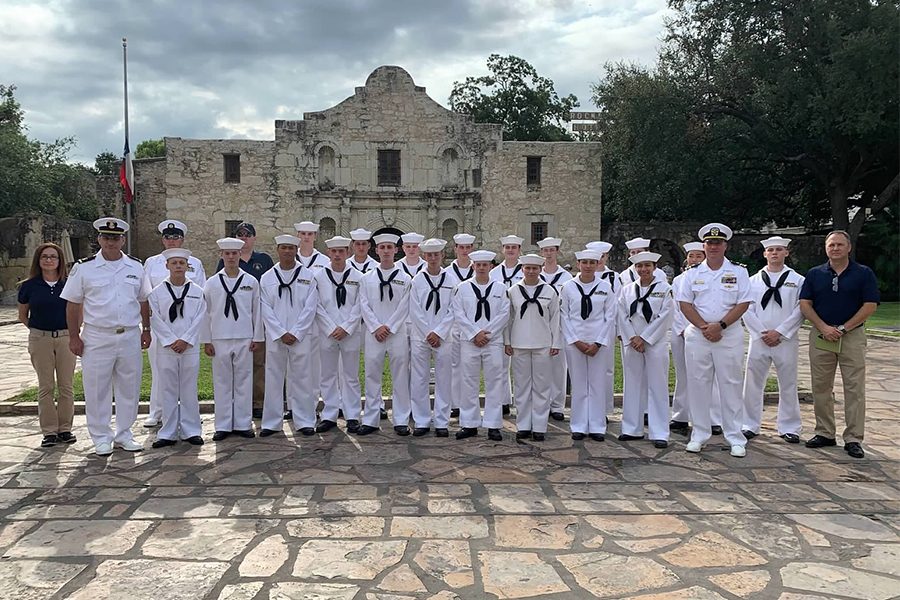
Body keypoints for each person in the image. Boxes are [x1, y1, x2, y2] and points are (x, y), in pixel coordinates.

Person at [61, 217, 151, 456]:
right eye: (106, 237)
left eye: (116, 237)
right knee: (97, 388)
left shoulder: (135, 266)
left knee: (129, 387)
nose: (111, 241)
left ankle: (124, 434)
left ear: (123, 239)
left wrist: (147, 329)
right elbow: (72, 304)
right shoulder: (84, 267)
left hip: (130, 334)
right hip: (97, 336)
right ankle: (101, 436)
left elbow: (143, 300)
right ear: (99, 239)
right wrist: (73, 336)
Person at [800, 230, 879, 459]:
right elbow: (805, 303)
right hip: (822, 335)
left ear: (849, 247)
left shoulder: (863, 273)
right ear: (826, 248)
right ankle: (824, 432)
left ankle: (854, 438)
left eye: (839, 245)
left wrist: (844, 327)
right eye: (831, 245)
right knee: (821, 387)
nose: (835, 248)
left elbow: (870, 304)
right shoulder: (815, 274)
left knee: (854, 388)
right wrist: (824, 327)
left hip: (851, 336)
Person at [677, 223, 752, 457]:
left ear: (725, 245)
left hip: (728, 335)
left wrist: (720, 326)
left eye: (718, 243)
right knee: (698, 384)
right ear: (704, 245)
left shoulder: (739, 272)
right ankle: (699, 434)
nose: (713, 246)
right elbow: (684, 304)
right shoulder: (692, 274)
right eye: (710, 243)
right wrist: (704, 327)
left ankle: (735, 437)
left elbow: (743, 303)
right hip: (698, 335)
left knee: (730, 384)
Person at [141, 220, 206, 428]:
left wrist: (188, 336)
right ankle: (157, 412)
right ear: (163, 239)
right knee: (160, 372)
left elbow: (202, 295)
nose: (172, 241)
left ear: (183, 239)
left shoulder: (194, 263)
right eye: (168, 237)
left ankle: (190, 415)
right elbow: (147, 295)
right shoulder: (151, 262)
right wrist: (154, 329)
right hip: (161, 329)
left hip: (187, 329)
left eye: (176, 237)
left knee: (188, 379)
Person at [740, 236, 805, 444]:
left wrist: (780, 332)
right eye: (771, 250)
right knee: (752, 382)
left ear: (787, 253)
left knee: (788, 382)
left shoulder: (798, 280)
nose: (774, 253)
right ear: (764, 254)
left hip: (785, 339)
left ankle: (790, 426)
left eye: (779, 250)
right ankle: (749, 423)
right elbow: (746, 309)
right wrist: (761, 332)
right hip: (759, 339)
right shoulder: (752, 281)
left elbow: (800, 309)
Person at [202, 237, 265, 441]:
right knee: (222, 382)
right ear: (221, 255)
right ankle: (222, 424)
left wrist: (258, 337)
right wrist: (207, 340)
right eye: (227, 253)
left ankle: (243, 423)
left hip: (244, 336)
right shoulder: (212, 283)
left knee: (244, 381)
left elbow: (257, 311)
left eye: (234, 253)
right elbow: (205, 313)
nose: (231, 257)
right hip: (220, 336)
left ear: (240, 255)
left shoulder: (250, 281)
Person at [18, 242, 78, 448]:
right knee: (46, 386)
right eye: (45, 257)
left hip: (65, 338)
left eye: (54, 257)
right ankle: (49, 431)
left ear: (60, 261)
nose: (49, 260)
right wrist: (38, 332)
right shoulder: (29, 286)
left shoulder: (69, 284)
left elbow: (77, 312)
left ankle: (65, 429)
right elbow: (22, 315)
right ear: (39, 260)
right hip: (40, 338)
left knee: (66, 386)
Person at [259, 234, 319, 437]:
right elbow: (265, 308)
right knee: (274, 377)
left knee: (302, 378)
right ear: (277, 250)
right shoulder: (267, 278)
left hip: (300, 336)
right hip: (277, 337)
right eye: (283, 248)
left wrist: (297, 331)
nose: (287, 251)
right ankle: (271, 422)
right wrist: (280, 332)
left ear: (296, 250)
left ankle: (305, 420)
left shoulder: (308, 276)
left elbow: (311, 307)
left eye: (291, 248)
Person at [216, 222, 274, 420]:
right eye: (240, 235)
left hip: (258, 318)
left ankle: (257, 402)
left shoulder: (263, 259)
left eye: (247, 235)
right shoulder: (228, 259)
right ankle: (234, 403)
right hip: (233, 321)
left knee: (258, 364)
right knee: (231, 368)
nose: (244, 238)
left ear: (254, 238)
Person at [617, 251, 675, 448]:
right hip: (632, 342)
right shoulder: (627, 290)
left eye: (647, 266)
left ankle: (660, 432)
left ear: (654, 268)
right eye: (639, 266)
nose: (643, 269)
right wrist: (633, 337)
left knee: (657, 386)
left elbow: (665, 316)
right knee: (632, 384)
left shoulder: (665, 289)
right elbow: (622, 314)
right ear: (635, 268)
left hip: (655, 343)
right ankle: (631, 428)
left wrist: (645, 338)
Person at [452, 250, 510, 440]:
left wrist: (487, 334)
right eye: (478, 265)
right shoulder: (463, 288)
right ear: (473, 266)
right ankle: (469, 423)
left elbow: (504, 313)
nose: (482, 268)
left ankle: (493, 424)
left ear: (491, 267)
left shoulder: (500, 289)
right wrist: (474, 333)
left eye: (485, 265)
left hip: (492, 342)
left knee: (494, 382)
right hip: (469, 341)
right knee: (468, 381)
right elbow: (458, 313)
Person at [358, 233, 412, 436]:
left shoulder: (405, 278)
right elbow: (363, 304)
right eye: (383, 248)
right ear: (377, 250)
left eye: (390, 247)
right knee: (372, 375)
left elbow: (404, 306)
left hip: (396, 333)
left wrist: (389, 327)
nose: (387, 251)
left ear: (396, 250)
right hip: (374, 334)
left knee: (400, 376)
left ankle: (401, 419)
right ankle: (371, 418)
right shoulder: (367, 278)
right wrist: (376, 327)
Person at [560, 250, 616, 441]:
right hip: (575, 342)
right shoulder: (568, 287)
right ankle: (578, 425)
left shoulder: (605, 287)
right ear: (578, 264)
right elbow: (564, 316)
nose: (588, 266)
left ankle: (597, 425)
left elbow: (610, 317)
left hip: (598, 342)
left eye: (592, 262)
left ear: (597, 264)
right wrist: (576, 341)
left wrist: (598, 342)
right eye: (584, 262)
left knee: (597, 384)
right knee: (579, 384)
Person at [504, 254, 561, 442]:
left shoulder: (549, 291)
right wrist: (507, 341)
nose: (530, 271)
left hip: (543, 343)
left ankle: (539, 426)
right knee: (521, 387)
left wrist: (556, 343)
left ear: (540, 269)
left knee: (542, 387)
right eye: (527, 268)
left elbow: (555, 319)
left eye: (534, 268)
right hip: (519, 343)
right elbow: (508, 319)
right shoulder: (513, 291)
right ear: (522, 269)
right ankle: (523, 425)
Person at [315, 236, 365, 433]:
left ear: (348, 252)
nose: (337, 255)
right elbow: (316, 305)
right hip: (327, 333)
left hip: (350, 333)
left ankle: (352, 414)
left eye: (341, 251)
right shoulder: (319, 276)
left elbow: (361, 304)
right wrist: (330, 327)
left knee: (350, 375)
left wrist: (347, 327)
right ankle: (329, 414)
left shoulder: (358, 276)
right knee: (327, 375)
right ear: (329, 253)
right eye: (334, 251)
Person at [409, 238, 457, 437]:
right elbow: (414, 308)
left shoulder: (451, 280)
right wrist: (428, 332)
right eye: (429, 255)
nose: (433, 258)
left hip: (443, 337)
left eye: (436, 254)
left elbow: (454, 309)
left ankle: (441, 421)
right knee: (419, 378)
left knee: (443, 379)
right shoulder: (417, 280)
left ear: (442, 255)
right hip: (421, 336)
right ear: (424, 257)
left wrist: (439, 332)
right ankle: (421, 420)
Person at [538, 237, 573, 422]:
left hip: (559, 324)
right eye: (545, 250)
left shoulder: (566, 278)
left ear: (557, 251)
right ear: (541, 253)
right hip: (539, 324)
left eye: (552, 250)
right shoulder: (536, 275)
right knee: (541, 367)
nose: (549, 253)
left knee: (559, 366)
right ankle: (542, 403)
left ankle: (557, 405)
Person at [491, 234, 525, 416]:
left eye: (514, 247)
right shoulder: (494, 273)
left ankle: (521, 402)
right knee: (501, 363)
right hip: (500, 319)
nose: (510, 250)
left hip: (521, 320)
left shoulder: (526, 269)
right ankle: (503, 400)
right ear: (503, 250)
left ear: (519, 250)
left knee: (520, 364)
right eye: (507, 247)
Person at [587, 241, 618, 418]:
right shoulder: (581, 277)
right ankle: (588, 407)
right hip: (586, 328)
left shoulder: (613, 277)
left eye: (602, 257)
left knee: (606, 370)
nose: (599, 261)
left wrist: (618, 331)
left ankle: (604, 408)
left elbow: (618, 304)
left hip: (607, 328)